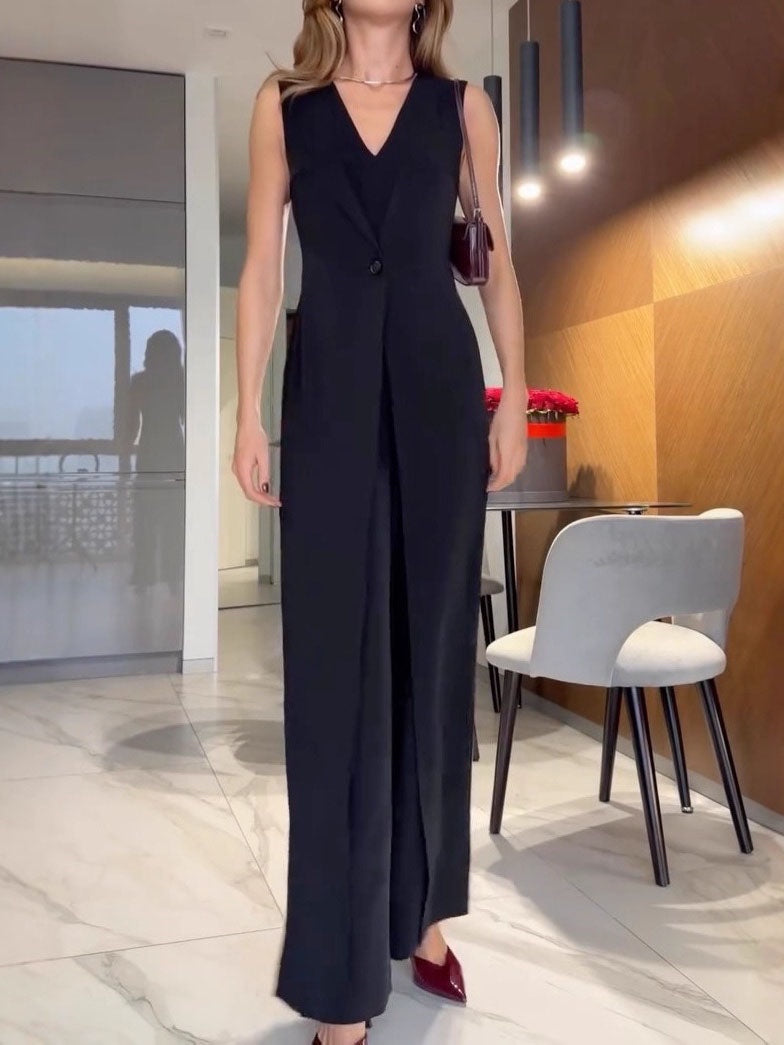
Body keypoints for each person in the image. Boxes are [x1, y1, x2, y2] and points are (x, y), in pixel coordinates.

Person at [232, 2, 528, 1042]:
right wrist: (247, 410)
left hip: (439, 396)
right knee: (332, 680)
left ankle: (424, 916)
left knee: (433, 663)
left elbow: (495, 260)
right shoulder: (285, 106)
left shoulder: (462, 108)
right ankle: (338, 975)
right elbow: (263, 265)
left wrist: (514, 393)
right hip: (327, 395)